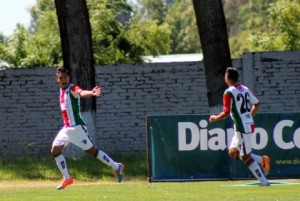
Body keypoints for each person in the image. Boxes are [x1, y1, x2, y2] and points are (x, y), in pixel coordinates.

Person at [51, 66, 124, 190]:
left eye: (65, 77)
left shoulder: (72, 88)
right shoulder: (61, 90)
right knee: (55, 150)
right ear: (57, 79)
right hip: (66, 129)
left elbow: (81, 92)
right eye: (60, 77)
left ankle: (116, 166)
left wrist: (91, 92)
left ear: (69, 78)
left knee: (91, 151)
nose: (63, 79)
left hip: (77, 128)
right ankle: (67, 178)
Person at [209, 67, 270, 186]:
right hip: (244, 126)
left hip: (242, 128)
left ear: (227, 78)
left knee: (246, 157)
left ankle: (264, 182)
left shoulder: (228, 92)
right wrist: (249, 116)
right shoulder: (245, 89)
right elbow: (257, 104)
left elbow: (226, 112)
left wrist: (215, 118)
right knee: (232, 152)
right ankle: (262, 160)